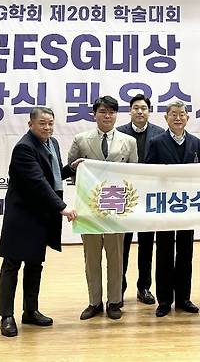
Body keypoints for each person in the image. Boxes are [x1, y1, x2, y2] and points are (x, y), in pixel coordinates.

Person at [0, 107, 80, 337]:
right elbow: (37, 182)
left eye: (51, 123)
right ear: (30, 124)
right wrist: (62, 207)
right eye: (42, 123)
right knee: (12, 265)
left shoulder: (51, 144)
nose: (47, 127)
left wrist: (71, 168)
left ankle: (30, 311)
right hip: (22, 217)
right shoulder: (24, 147)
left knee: (35, 264)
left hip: (41, 217)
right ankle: (6, 316)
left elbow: (52, 176)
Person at [67, 96, 138, 321]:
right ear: (94, 114)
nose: (107, 116)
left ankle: (115, 301)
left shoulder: (129, 141)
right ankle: (94, 302)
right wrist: (73, 167)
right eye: (103, 112)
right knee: (92, 256)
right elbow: (69, 172)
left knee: (116, 256)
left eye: (111, 112)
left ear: (117, 115)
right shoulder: (80, 139)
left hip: (117, 206)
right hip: (88, 207)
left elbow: (135, 174)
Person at [145, 100, 200, 317]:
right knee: (163, 253)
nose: (178, 118)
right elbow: (149, 174)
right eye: (173, 114)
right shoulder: (155, 142)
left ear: (187, 118)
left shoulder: (197, 143)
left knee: (185, 253)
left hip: (188, 206)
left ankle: (183, 298)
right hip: (164, 207)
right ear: (166, 118)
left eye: (182, 114)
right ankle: (164, 301)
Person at [116, 93, 165, 305]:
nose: (140, 112)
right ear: (130, 111)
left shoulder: (160, 133)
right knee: (122, 244)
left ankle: (144, 287)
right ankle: (119, 287)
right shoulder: (119, 134)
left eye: (143, 108)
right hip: (124, 197)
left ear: (149, 111)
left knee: (146, 244)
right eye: (136, 108)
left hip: (149, 197)